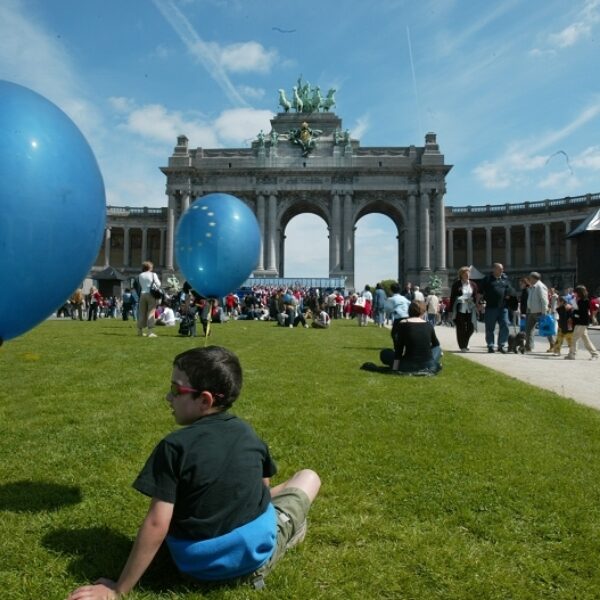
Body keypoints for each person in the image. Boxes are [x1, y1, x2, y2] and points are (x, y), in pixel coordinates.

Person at [67, 347, 320, 599]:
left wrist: (118, 589)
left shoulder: (175, 447)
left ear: (205, 400)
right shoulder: (247, 432)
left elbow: (158, 523)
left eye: (176, 390)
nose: (168, 397)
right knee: (308, 477)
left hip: (197, 566)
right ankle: (289, 526)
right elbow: (263, 491)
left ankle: (285, 527)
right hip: (255, 554)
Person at [379, 301, 442, 374]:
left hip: (408, 364)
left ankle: (399, 366)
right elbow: (436, 344)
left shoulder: (403, 324)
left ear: (409, 311)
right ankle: (431, 365)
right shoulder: (428, 325)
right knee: (438, 349)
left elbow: (399, 350)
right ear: (423, 312)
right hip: (427, 364)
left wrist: (395, 368)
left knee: (385, 353)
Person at [478, 263, 516, 354]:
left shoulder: (505, 279)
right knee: (490, 328)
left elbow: (511, 290)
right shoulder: (487, 279)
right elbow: (480, 293)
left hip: (503, 307)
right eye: (500, 269)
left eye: (502, 269)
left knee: (505, 325)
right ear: (494, 269)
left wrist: (510, 295)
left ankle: (501, 345)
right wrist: (479, 304)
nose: (502, 271)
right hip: (491, 307)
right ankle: (490, 345)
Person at [565, 285, 600, 360]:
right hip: (581, 322)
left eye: (575, 292)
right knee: (585, 339)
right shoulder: (581, 300)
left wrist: (573, 311)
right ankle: (594, 354)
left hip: (581, 322)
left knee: (574, 339)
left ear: (579, 292)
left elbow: (582, 313)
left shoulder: (584, 301)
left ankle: (572, 354)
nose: (574, 294)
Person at [449, 266, 479, 352]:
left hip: (470, 308)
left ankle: (465, 342)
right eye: (465, 274)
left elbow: (476, 296)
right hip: (460, 307)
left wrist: (478, 306)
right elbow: (452, 297)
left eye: (468, 273)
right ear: (461, 275)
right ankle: (462, 346)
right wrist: (450, 311)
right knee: (460, 327)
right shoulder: (456, 284)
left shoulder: (473, 284)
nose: (467, 275)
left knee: (471, 327)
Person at [524, 272, 549, 352]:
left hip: (539, 312)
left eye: (530, 278)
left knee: (546, 329)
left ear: (534, 278)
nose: (529, 279)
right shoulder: (532, 286)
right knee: (528, 330)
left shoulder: (540, 286)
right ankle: (528, 346)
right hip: (532, 311)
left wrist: (544, 312)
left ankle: (553, 344)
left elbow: (544, 300)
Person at [137, 261, 161, 338]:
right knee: (151, 312)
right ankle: (150, 332)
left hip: (142, 294)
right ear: (150, 267)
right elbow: (158, 284)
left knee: (142, 313)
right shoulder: (153, 274)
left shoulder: (140, 275)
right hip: (151, 294)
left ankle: (140, 331)